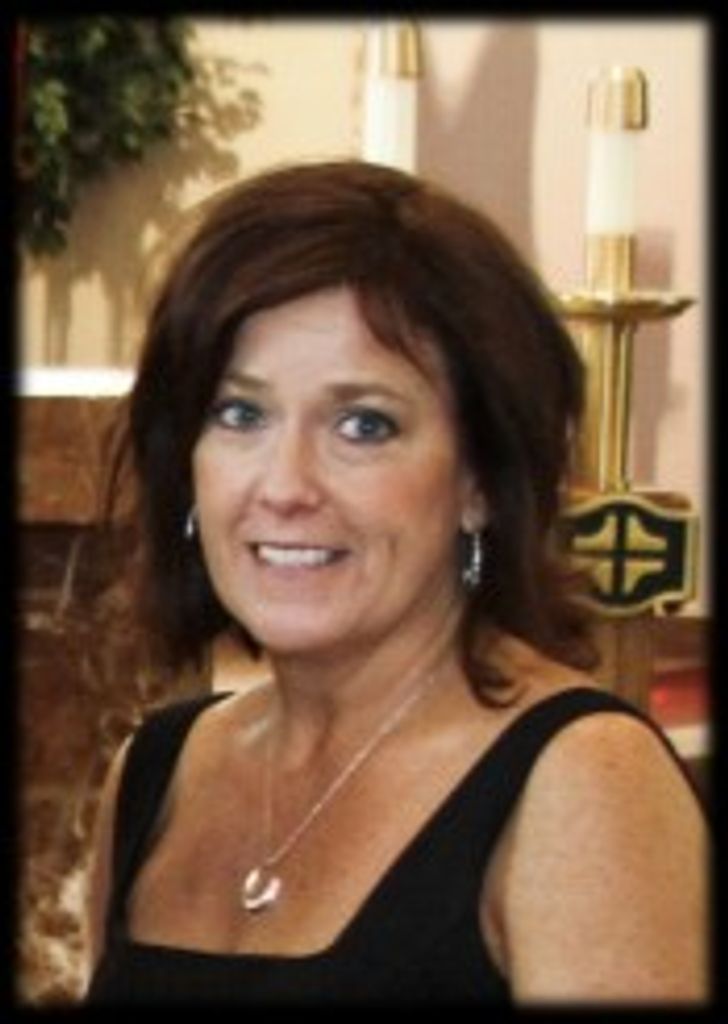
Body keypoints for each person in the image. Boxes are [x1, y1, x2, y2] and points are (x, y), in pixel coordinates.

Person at [84, 159, 708, 1006]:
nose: (285, 485)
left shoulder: (582, 780)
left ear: (479, 480)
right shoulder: (154, 772)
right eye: (240, 414)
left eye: (363, 425)